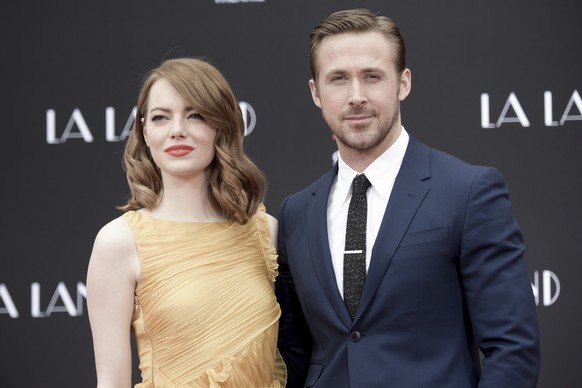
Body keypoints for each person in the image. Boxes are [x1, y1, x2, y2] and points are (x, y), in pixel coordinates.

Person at [275, 8, 540, 388]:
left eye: (372, 76)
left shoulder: (468, 192)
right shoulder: (297, 212)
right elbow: (296, 356)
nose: (356, 96)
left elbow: (514, 350)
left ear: (403, 83)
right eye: (338, 79)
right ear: (316, 92)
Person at [86, 57, 286, 387]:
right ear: (145, 131)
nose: (177, 130)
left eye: (195, 115)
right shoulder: (120, 242)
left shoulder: (266, 232)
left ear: (221, 126)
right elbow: (111, 382)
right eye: (161, 117)